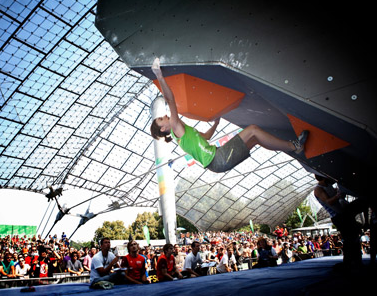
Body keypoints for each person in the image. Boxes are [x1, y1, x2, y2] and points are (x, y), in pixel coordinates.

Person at [150, 57, 309, 173]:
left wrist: (216, 125)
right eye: (161, 119)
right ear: (164, 128)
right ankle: (294, 146)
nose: (165, 115)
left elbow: (205, 136)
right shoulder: (176, 129)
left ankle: (291, 148)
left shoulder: (184, 132)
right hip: (218, 158)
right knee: (253, 129)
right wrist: (159, 75)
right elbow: (170, 99)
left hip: (217, 160)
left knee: (254, 139)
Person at [313, 174, 368, 269]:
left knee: (353, 237)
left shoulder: (328, 186)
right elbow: (329, 201)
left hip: (343, 213)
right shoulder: (318, 189)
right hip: (338, 216)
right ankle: (349, 262)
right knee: (350, 238)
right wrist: (338, 195)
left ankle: (355, 261)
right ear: (323, 178)